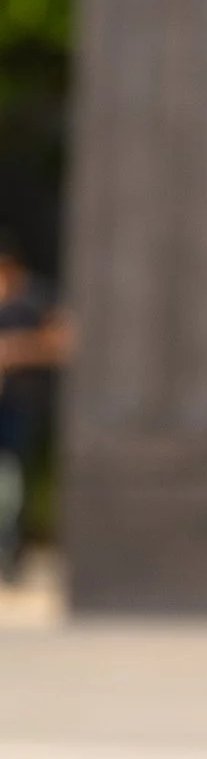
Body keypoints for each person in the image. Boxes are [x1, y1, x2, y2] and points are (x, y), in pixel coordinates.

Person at [0, 244, 73, 584]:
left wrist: (16, 349)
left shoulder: (35, 299)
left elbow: (64, 340)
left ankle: (11, 553)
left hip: (18, 404)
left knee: (11, 481)